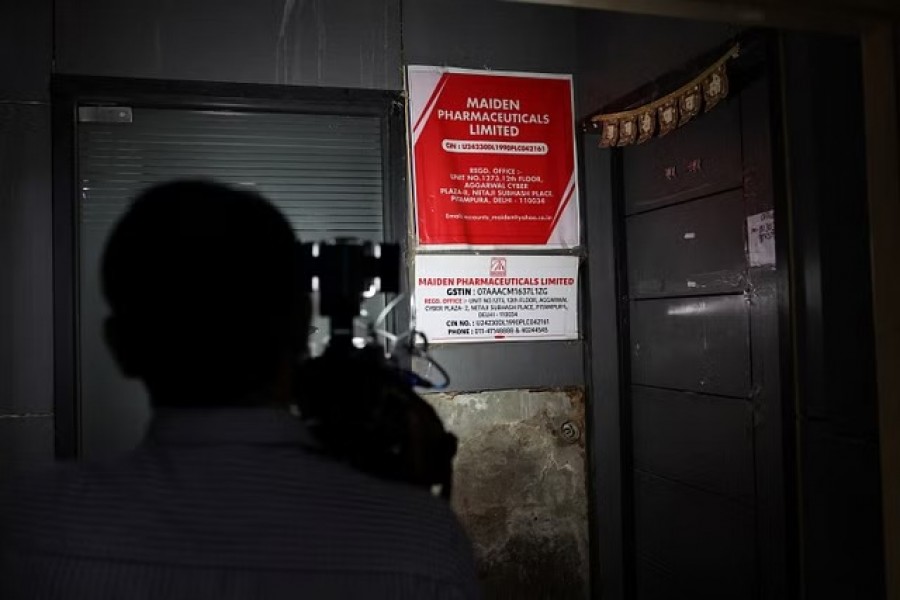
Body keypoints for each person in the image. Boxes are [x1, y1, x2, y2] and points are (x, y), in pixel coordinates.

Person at [0, 180, 479, 599]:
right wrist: (410, 512)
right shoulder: (422, 546)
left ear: (120, 347)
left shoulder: (25, 525)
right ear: (299, 327)